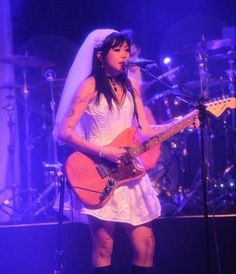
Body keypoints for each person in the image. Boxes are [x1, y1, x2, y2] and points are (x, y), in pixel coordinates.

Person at [54, 29, 198, 274]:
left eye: (126, 49)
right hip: (98, 172)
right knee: (104, 246)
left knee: (146, 244)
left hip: (130, 172)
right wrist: (103, 151)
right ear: (100, 55)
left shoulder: (132, 87)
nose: (124, 55)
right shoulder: (88, 87)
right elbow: (64, 133)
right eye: (117, 49)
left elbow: (144, 131)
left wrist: (182, 122)